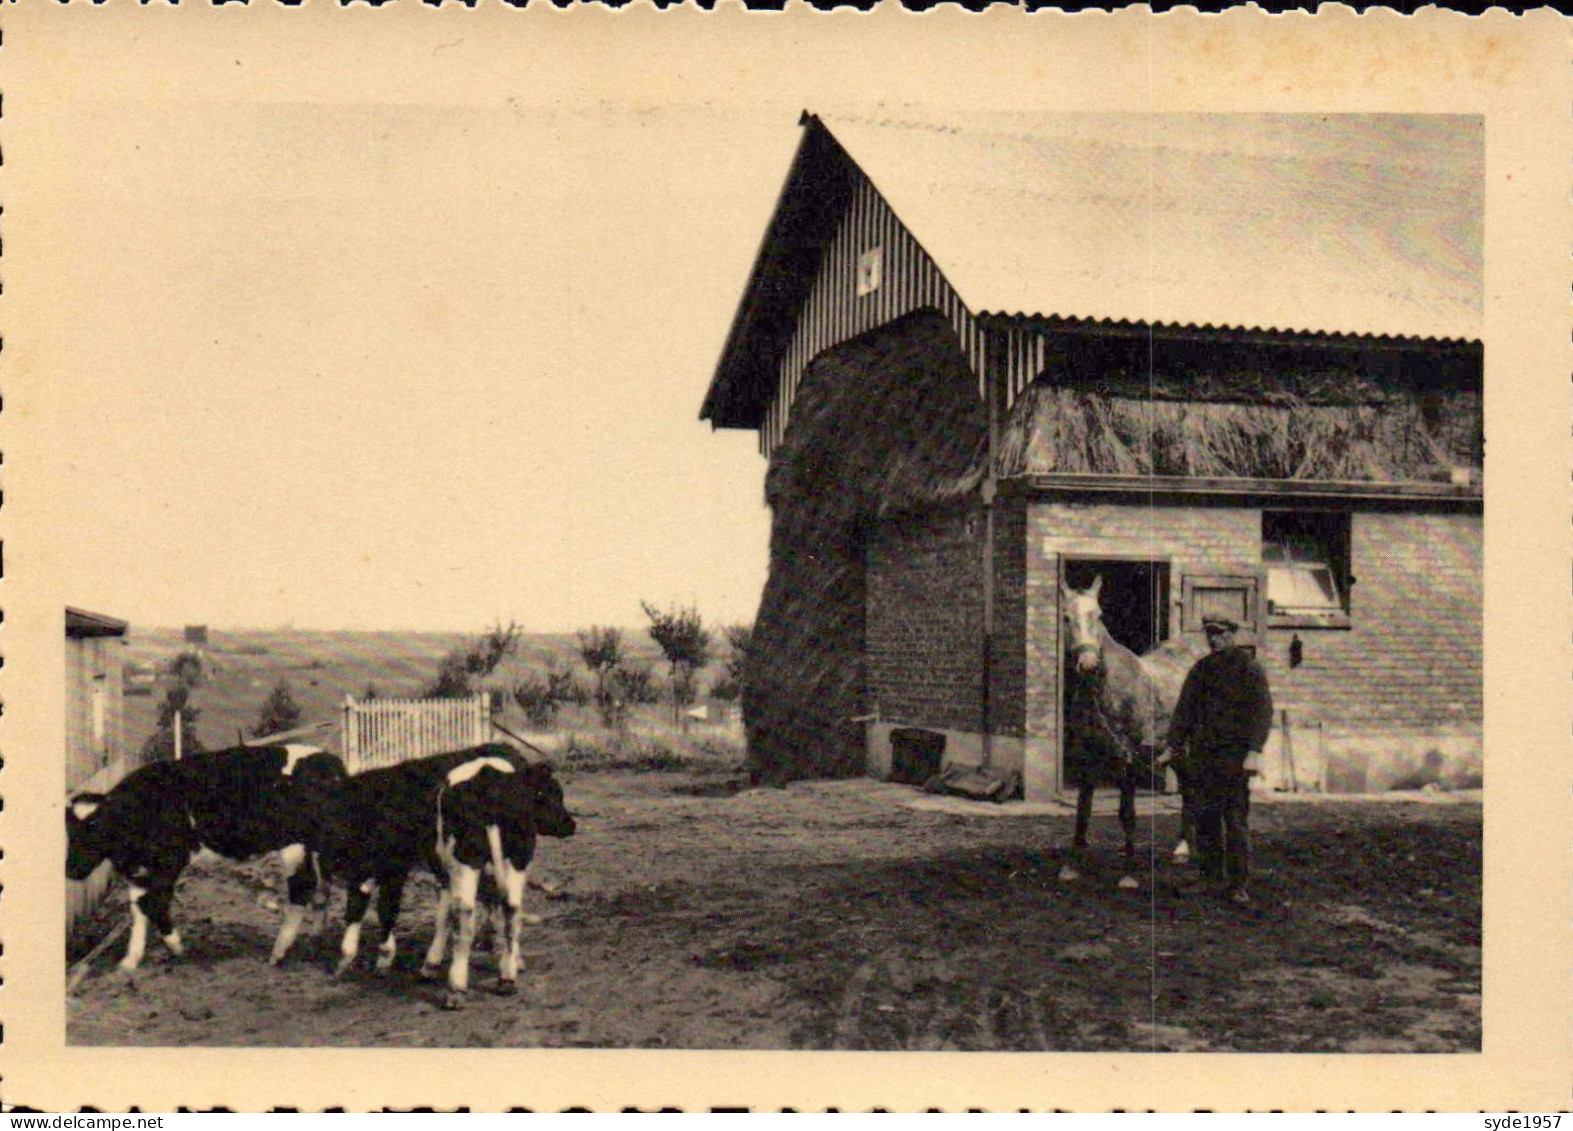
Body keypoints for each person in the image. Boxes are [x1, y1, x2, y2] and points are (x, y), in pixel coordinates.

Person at [1160, 614, 1274, 905]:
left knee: (1235, 820)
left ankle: (1238, 884)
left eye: (1219, 632)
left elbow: (1262, 714)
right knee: (1206, 818)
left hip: (1235, 759)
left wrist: (1254, 751)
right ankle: (1210, 878)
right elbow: (1184, 710)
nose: (1213, 638)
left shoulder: (1249, 669)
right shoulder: (1201, 669)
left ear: (1232, 633)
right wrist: (1173, 745)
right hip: (1203, 757)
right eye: (1209, 633)